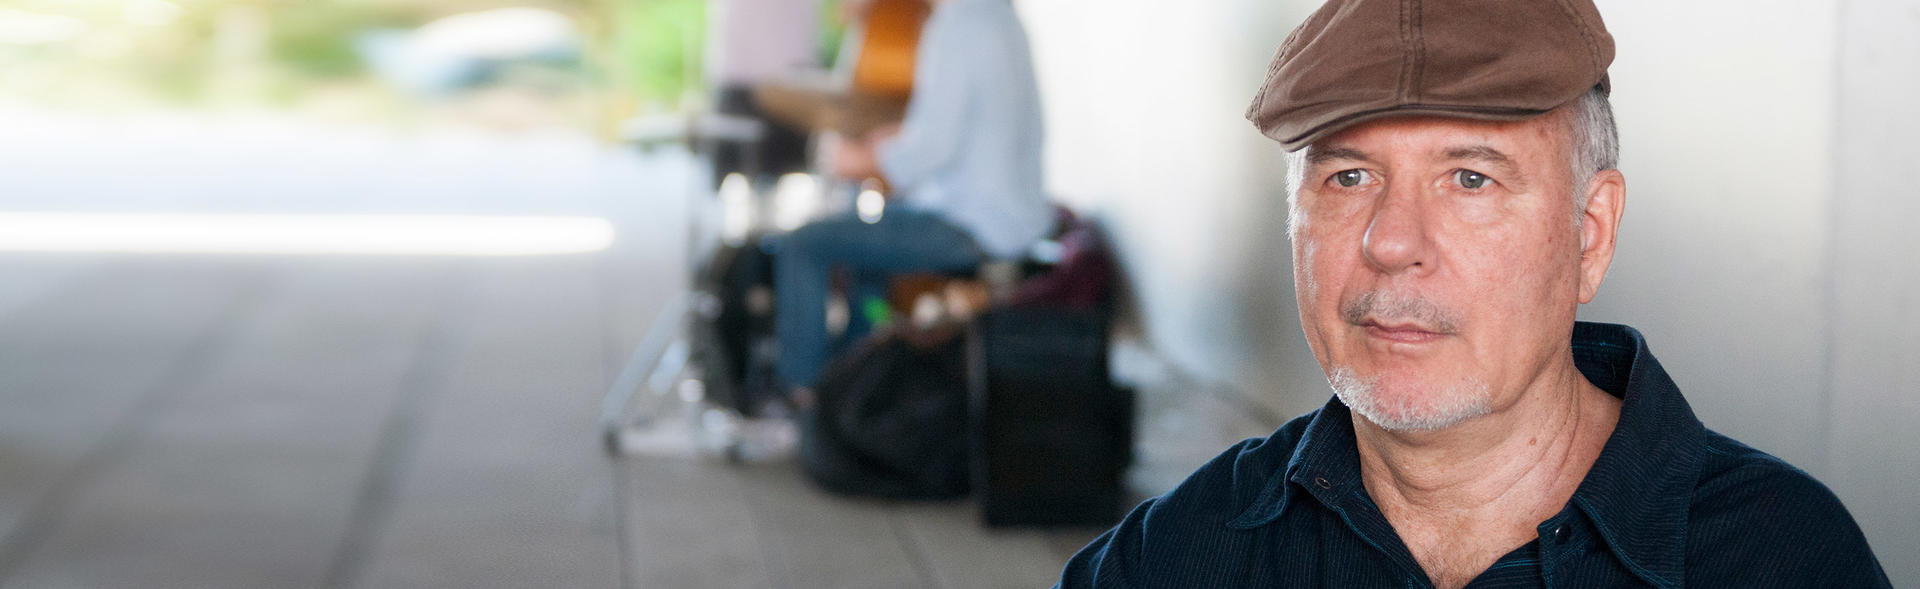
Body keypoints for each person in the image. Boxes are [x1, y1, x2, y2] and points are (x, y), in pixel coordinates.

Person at [1057, 0, 1891, 587]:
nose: (1391, 243)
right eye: (1349, 175)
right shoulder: (1173, 559)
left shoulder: (1779, 557)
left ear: (1589, 234)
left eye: (1470, 177)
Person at [774, 0, 1053, 394]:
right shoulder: (997, 15)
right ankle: (856, 382)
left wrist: (860, 158)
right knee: (866, 257)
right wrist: (891, 144)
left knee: (804, 243)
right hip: (1008, 216)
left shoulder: (957, 26)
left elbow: (932, 150)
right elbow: (960, 132)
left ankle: (804, 393)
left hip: (972, 223)